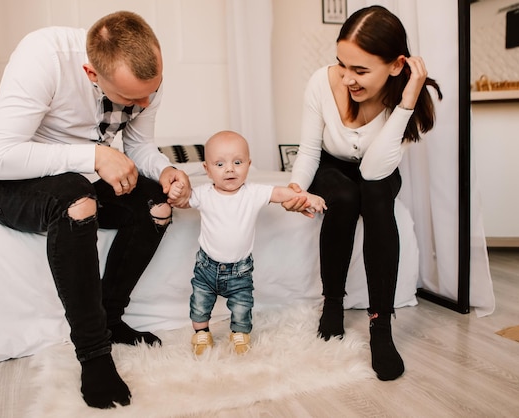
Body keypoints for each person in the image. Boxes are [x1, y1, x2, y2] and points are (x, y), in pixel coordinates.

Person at [0, 11, 191, 409]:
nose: (145, 102)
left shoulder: (143, 77)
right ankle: (93, 353)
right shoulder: (44, 57)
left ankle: (111, 318)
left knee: (156, 206)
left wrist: (166, 169)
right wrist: (95, 155)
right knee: (78, 199)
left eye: (152, 91)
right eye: (132, 98)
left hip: (84, 171)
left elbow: (141, 145)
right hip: (10, 181)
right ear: (91, 73)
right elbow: (1, 158)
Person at [283, 5, 442, 381]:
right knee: (344, 198)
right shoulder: (321, 83)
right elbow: (308, 150)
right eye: (342, 64)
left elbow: (373, 170)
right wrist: (295, 188)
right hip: (332, 166)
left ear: (395, 65)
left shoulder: (408, 101)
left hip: (379, 167)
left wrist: (406, 102)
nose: (347, 78)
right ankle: (332, 304)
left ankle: (381, 327)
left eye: (360, 70)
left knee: (376, 198)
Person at [168, 130, 326, 355]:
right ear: (207, 169)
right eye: (220, 164)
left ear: (249, 164)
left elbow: (280, 193)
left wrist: (307, 196)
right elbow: (182, 202)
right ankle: (201, 333)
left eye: (238, 162)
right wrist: (176, 193)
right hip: (206, 267)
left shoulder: (253, 192)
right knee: (200, 304)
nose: (230, 168)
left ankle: (240, 333)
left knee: (242, 306)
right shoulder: (203, 193)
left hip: (240, 270)